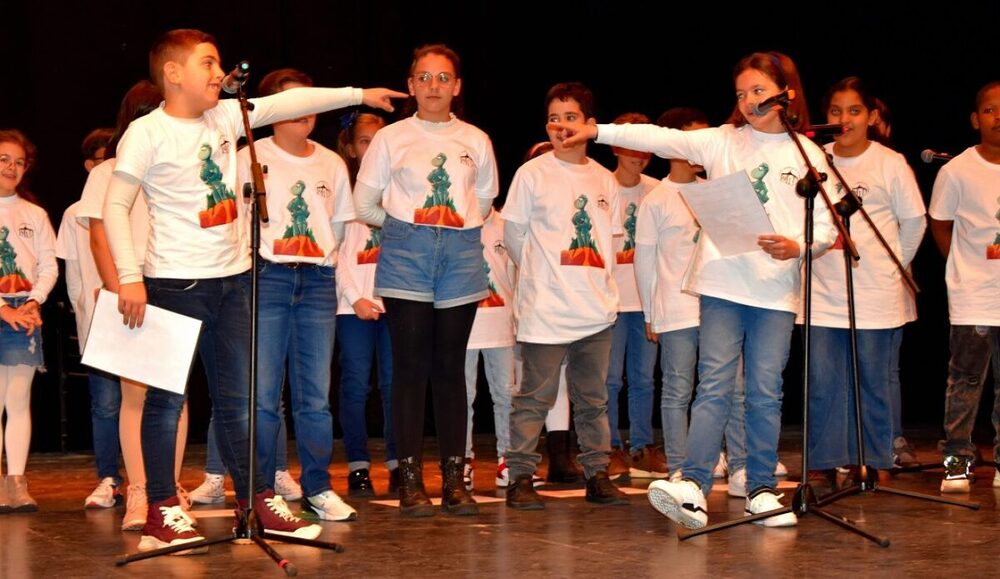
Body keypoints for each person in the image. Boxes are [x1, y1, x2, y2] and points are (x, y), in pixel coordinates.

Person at [102, 28, 402, 551]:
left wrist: (355, 96)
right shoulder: (146, 134)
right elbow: (115, 206)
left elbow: (291, 101)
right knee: (166, 403)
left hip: (236, 280)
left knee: (241, 401)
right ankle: (161, 508)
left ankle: (258, 499)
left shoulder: (225, 116)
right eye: (208, 62)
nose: (218, 73)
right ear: (173, 73)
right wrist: (129, 276)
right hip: (174, 282)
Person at [554, 52, 837, 528]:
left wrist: (799, 246)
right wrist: (597, 130)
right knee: (715, 383)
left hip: (774, 290)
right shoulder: (724, 141)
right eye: (741, 93)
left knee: (766, 390)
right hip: (724, 282)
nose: (748, 102)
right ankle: (694, 485)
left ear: (786, 93)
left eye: (758, 92)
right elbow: (659, 138)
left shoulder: (808, 154)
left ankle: (762, 488)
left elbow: (828, 226)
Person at [354, 44, 498, 517]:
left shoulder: (475, 139)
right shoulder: (391, 138)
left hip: (459, 253)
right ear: (410, 84)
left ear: (456, 87)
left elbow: (483, 197)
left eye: (443, 78)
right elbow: (365, 204)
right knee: (410, 370)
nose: (433, 86)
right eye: (423, 77)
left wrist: (447, 228)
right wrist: (404, 229)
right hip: (406, 252)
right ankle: (411, 481)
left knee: (450, 369)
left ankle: (455, 480)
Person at [236, 67, 356, 521]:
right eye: (291, 104)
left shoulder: (329, 162)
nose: (303, 113)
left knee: (315, 396)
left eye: (310, 103)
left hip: (319, 280)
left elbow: (339, 226)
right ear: (270, 111)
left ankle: (318, 487)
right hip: (267, 278)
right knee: (264, 395)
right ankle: (261, 490)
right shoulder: (251, 155)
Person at [502, 82, 629, 510]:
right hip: (546, 308)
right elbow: (515, 237)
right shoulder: (532, 174)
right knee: (534, 398)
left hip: (595, 310)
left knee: (593, 399)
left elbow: (608, 245)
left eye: (570, 117)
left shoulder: (604, 179)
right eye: (554, 118)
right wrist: (543, 277)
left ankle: (597, 473)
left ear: (590, 125)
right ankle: (521, 476)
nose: (561, 126)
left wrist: (601, 293)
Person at [77, 80, 193, 532]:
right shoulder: (107, 172)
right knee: (135, 395)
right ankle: (141, 488)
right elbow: (99, 233)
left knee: (175, 396)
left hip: (176, 284)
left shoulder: (175, 163)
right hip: (130, 289)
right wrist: (116, 287)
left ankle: (170, 485)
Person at [806, 77, 926, 487]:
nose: (844, 119)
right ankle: (825, 460)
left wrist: (893, 268)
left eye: (854, 111)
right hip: (822, 293)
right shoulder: (815, 159)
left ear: (872, 117)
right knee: (824, 383)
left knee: (873, 380)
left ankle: (875, 460)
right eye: (836, 111)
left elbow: (914, 221)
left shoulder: (889, 163)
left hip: (875, 294)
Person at [928, 80, 1000, 493]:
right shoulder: (956, 170)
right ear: (976, 119)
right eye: (989, 110)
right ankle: (957, 458)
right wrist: (962, 268)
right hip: (973, 294)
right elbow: (940, 224)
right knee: (966, 380)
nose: (997, 117)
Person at [58, 128, 126, 510]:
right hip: (98, 319)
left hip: (136, 311)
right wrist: (85, 312)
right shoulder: (74, 214)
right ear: (91, 166)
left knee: (149, 402)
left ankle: (152, 482)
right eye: (104, 161)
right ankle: (109, 478)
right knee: (105, 404)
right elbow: (73, 274)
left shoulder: (135, 198)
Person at [334, 110, 398, 497]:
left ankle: (397, 463)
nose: (372, 147)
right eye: (364, 141)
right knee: (356, 385)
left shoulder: (401, 190)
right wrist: (355, 296)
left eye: (379, 140)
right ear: (351, 147)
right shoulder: (343, 188)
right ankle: (358, 465)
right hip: (353, 306)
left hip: (395, 303)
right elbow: (335, 251)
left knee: (395, 386)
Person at [604, 112, 665, 480]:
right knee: (609, 380)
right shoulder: (601, 186)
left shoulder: (657, 190)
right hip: (611, 300)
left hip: (645, 300)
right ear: (614, 146)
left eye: (645, 147)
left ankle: (642, 447)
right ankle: (609, 447)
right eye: (630, 145)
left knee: (644, 379)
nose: (638, 154)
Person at [0, 129, 57, 514]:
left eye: (19, 162)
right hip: (5, 308)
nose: (12, 167)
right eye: (4, 159)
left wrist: (34, 300)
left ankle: (16, 483)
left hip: (24, 310)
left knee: (18, 398)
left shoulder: (34, 214)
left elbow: (49, 265)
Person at [463, 203, 516, 489]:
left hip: (501, 324)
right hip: (464, 325)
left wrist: (519, 314)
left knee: (506, 394)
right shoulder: (457, 220)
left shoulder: (507, 224)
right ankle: (462, 461)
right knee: (463, 395)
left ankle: (507, 460)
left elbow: (518, 272)